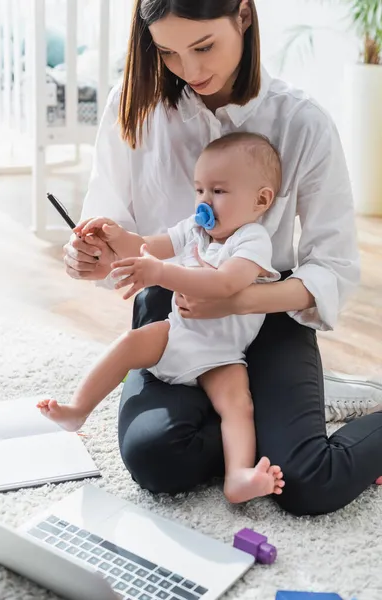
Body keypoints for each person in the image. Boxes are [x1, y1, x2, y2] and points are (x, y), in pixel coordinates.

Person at [62, 0, 382, 516]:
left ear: (244, 15)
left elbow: (334, 268)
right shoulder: (133, 106)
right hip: (176, 316)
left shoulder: (302, 122)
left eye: (203, 46)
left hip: (269, 307)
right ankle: (275, 412)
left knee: (306, 483)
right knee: (156, 458)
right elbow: (118, 235)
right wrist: (89, 254)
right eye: (167, 52)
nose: (190, 71)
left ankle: (282, 414)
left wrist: (237, 300)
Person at [38, 132, 286, 504]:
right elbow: (148, 246)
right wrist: (115, 234)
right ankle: (78, 410)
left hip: (222, 353)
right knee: (128, 344)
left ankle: (238, 477)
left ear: (260, 200)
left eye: (218, 192)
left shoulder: (251, 240)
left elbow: (224, 283)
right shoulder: (194, 228)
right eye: (200, 190)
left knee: (237, 405)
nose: (204, 201)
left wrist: (159, 274)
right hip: (178, 333)